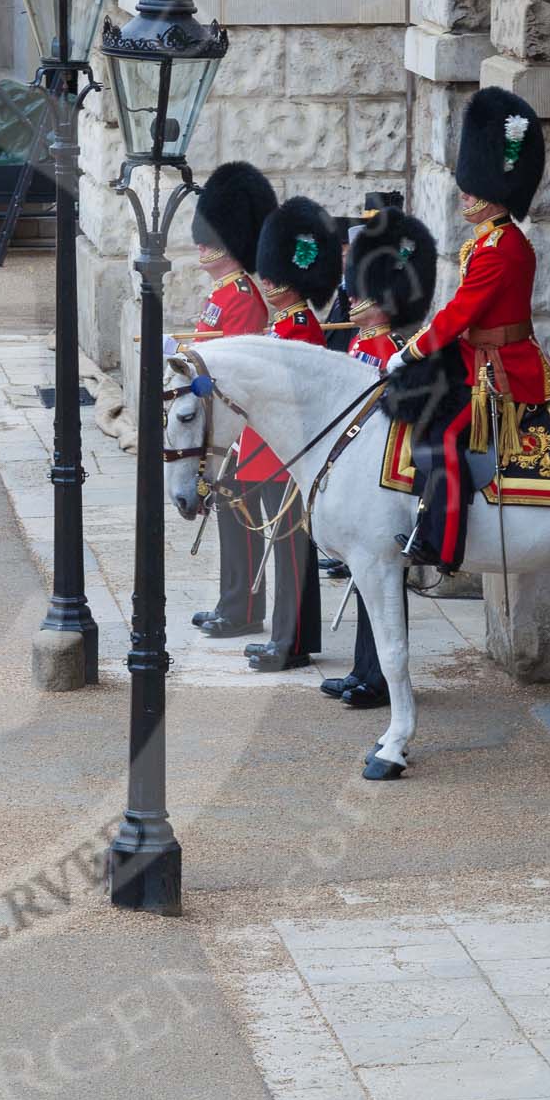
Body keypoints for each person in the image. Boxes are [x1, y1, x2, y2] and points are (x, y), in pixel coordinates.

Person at [387, 87, 550, 571]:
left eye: (474, 187)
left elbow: (459, 314)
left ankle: (443, 548)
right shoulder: (488, 241)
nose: (465, 193)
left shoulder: (501, 249)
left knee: (444, 438)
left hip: (501, 371)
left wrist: (411, 352)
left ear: (496, 193)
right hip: (475, 360)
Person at [320, 208, 438, 709]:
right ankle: (363, 670)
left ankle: (378, 677)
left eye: (360, 289)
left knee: (382, 585)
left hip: (387, 470)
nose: (350, 297)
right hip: (361, 465)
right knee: (368, 584)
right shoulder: (362, 341)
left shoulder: (391, 344)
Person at [238, 196, 341, 673]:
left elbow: (291, 397)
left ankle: (293, 641)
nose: (267, 280)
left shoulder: (302, 330)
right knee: (283, 552)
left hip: (289, 453)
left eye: (275, 273)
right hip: (268, 450)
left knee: (293, 553)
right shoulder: (279, 327)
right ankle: (285, 637)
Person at [177, 161, 277, 642]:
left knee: (242, 521)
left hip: (239, 427)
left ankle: (244, 609)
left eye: (209, 237)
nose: (201, 243)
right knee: (228, 520)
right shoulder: (220, 293)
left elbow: (235, 369)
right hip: (221, 426)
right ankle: (230, 601)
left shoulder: (241, 295)